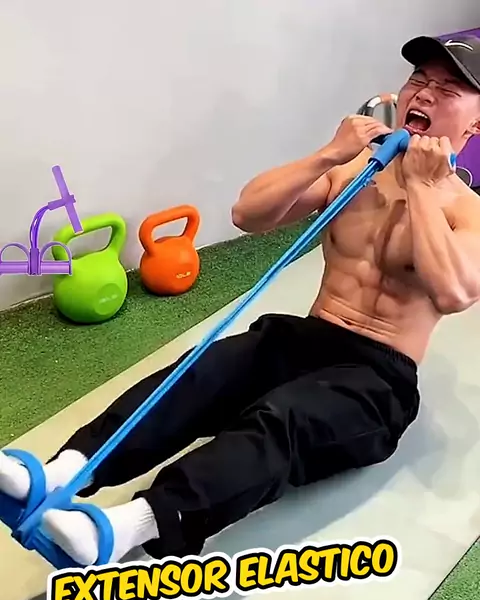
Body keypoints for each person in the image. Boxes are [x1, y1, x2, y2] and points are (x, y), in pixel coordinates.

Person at [2, 34, 480, 567]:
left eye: (449, 89)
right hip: (306, 337)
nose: (426, 93)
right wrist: (329, 154)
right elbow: (248, 214)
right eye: (419, 80)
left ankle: (118, 531)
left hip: (377, 378)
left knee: (282, 419)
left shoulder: (467, 210)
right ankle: (62, 471)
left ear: (476, 124)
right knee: (202, 371)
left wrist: (421, 188)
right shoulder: (355, 172)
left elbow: (455, 291)